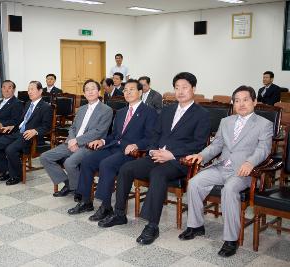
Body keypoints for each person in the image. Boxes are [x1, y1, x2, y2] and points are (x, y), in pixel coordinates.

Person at [97, 72, 210, 247]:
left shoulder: (202, 114)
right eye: (177, 88)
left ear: (193, 89)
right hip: (157, 156)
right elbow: (155, 135)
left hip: (179, 161)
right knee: (126, 169)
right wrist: (152, 151)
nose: (180, 91)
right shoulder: (167, 110)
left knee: (158, 173)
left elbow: (199, 143)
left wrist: (171, 154)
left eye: (185, 87)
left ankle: (152, 225)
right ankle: (119, 214)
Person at [180, 86, 272, 257]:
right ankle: (196, 225)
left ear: (254, 101)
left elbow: (263, 149)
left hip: (244, 171)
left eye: (245, 99)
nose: (241, 104)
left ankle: (231, 240)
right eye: (237, 100)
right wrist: (201, 155)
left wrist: (250, 162)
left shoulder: (264, 124)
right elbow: (217, 145)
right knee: (194, 183)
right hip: (222, 166)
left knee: (229, 190)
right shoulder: (226, 121)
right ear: (233, 103)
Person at [67, 79, 158, 221]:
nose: (127, 93)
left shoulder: (149, 112)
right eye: (125, 90)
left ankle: (106, 206)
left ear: (140, 92)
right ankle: (86, 201)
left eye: (131, 89)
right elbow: (114, 135)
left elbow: (151, 137)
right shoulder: (121, 112)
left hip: (131, 153)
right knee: (87, 161)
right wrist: (102, 140)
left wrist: (137, 145)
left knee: (106, 164)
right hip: (114, 146)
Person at [40, 79, 113, 200]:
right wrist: (71, 140)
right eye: (87, 90)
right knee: (45, 157)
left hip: (89, 145)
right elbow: (72, 127)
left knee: (69, 163)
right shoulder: (81, 109)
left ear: (99, 91)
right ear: (84, 93)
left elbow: (98, 132)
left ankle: (79, 190)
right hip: (72, 143)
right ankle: (70, 184)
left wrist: (77, 141)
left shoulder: (106, 110)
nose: (90, 92)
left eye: (93, 89)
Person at [0, 81, 53, 185]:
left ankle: (17, 175)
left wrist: (35, 131)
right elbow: (22, 120)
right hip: (18, 133)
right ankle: (6, 171)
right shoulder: (27, 104)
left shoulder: (46, 107)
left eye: (32, 89)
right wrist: (12, 126)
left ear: (40, 91)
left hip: (30, 136)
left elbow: (47, 127)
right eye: (28, 90)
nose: (29, 92)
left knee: (10, 149)